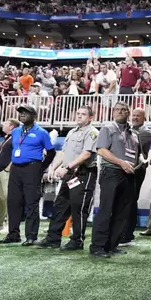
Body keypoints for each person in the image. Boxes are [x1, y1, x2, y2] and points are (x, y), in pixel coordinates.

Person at [36, 106, 99, 250]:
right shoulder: (71, 132)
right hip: (69, 174)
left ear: (90, 118)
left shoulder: (92, 132)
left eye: (83, 114)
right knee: (60, 205)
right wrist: (53, 167)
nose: (79, 116)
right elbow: (63, 152)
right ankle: (53, 238)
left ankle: (77, 241)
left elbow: (86, 154)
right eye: (77, 113)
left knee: (79, 208)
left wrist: (67, 167)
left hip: (83, 173)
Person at [0, 104, 56, 246]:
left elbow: (51, 152)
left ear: (34, 116)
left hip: (32, 168)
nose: (22, 114)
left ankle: (31, 236)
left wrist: (41, 167)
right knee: (13, 201)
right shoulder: (16, 131)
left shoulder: (41, 132)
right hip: (16, 169)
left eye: (26, 112)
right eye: (20, 113)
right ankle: (13, 234)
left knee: (31, 202)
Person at [90, 101, 139, 258]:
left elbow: (135, 153)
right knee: (106, 209)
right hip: (111, 172)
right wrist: (121, 163)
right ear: (113, 112)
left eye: (124, 109)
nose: (120, 112)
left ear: (128, 113)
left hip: (129, 174)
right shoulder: (108, 128)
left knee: (121, 212)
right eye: (117, 109)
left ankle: (111, 245)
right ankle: (97, 246)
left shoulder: (133, 133)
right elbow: (101, 150)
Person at [120, 107, 151, 246]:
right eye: (133, 115)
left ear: (144, 118)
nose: (135, 117)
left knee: (131, 201)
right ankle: (123, 232)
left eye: (138, 116)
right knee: (126, 200)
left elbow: (134, 146)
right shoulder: (130, 130)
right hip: (129, 168)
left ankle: (128, 235)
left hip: (137, 170)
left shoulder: (145, 132)